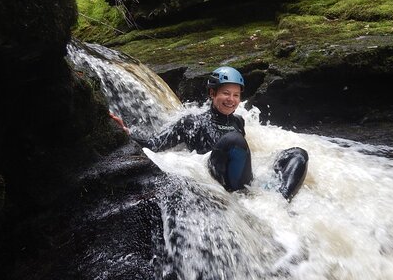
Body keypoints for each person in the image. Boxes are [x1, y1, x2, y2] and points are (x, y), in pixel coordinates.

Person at [114, 66, 308, 201]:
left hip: (246, 183)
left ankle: (279, 202)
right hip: (216, 180)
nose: (231, 99)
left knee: (298, 154)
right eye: (225, 93)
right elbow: (154, 144)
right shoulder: (191, 121)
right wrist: (126, 132)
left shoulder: (238, 121)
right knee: (234, 140)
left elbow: (243, 158)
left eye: (236, 95)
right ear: (212, 94)